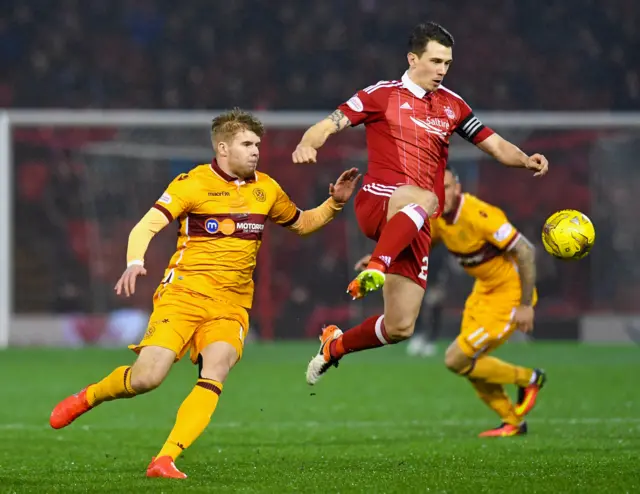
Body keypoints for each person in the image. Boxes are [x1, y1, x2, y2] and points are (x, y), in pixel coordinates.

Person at [49, 108, 361, 479]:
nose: (256, 151)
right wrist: (134, 261)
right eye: (247, 144)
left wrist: (335, 203)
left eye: (257, 144)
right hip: (183, 295)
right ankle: (91, 396)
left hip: (231, 306)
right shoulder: (192, 183)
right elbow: (145, 226)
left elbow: (302, 223)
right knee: (148, 378)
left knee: (216, 368)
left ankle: (164, 459)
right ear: (224, 148)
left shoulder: (267, 189)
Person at [292, 21, 549, 385]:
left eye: (447, 63)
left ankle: (335, 346)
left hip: (415, 222)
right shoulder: (380, 95)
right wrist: (308, 144)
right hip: (380, 201)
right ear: (413, 59)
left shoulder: (453, 105)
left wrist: (525, 159)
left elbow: (494, 145)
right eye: (436, 61)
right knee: (428, 196)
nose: (443, 70)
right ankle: (378, 267)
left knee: (400, 326)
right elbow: (328, 124)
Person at [354, 167, 546, 437]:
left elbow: (525, 251)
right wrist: (381, 259)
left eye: (445, 187)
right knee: (465, 363)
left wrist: (525, 306)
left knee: (457, 358)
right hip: (483, 292)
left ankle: (529, 379)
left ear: (458, 188)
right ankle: (512, 421)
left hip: (509, 295)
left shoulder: (481, 215)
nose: (439, 194)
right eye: (434, 189)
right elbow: (419, 242)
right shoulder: (438, 217)